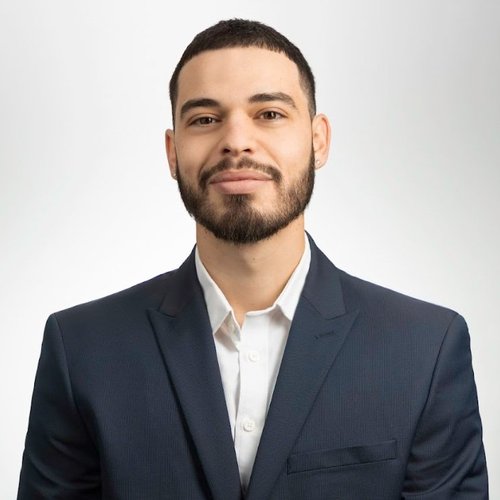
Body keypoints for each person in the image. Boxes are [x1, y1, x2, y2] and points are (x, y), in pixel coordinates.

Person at [18, 19, 488, 499]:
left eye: (269, 113)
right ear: (173, 152)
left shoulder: (425, 350)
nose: (237, 140)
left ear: (318, 140)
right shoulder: (82, 350)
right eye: (205, 119)